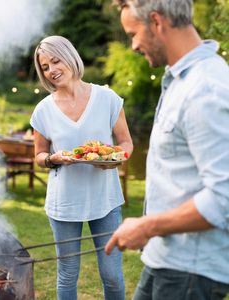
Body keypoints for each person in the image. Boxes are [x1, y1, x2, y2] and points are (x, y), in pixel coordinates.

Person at [105, 1, 229, 299]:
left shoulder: (205, 88)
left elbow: (224, 198)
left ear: (157, 22)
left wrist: (148, 225)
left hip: (191, 270)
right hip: (165, 258)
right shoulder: (180, 80)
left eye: (133, 33)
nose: (133, 45)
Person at [30, 35, 133, 300]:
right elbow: (39, 156)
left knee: (112, 274)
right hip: (64, 204)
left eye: (55, 61)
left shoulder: (107, 98)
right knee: (67, 273)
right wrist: (54, 159)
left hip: (105, 200)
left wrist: (114, 159)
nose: (51, 70)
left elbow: (125, 143)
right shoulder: (43, 110)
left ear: (70, 57)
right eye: (45, 67)